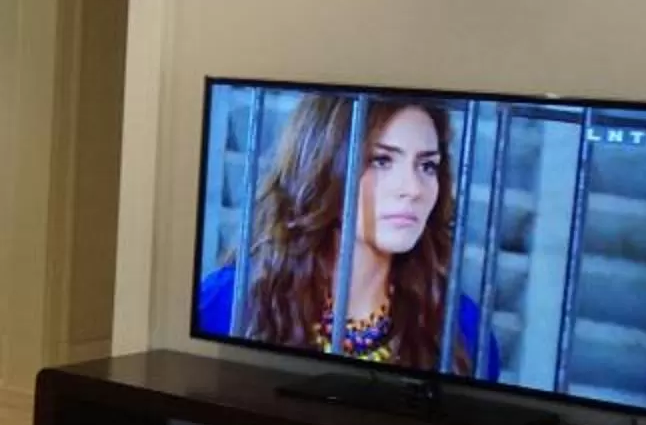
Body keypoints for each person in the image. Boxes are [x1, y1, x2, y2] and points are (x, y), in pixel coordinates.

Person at [197, 93, 498, 378]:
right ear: (324, 168)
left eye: (427, 166)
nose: (413, 189)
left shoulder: (462, 328)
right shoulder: (228, 301)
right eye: (381, 160)